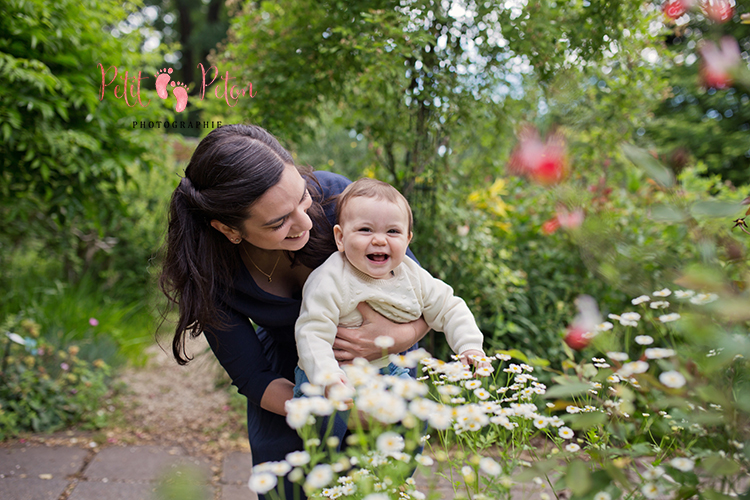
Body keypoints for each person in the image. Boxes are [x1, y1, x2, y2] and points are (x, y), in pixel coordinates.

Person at [158, 124, 429, 499]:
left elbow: (427, 298)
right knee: (288, 488)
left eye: (300, 200)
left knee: (377, 483)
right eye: (277, 222)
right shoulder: (210, 273)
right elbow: (252, 375)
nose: (304, 222)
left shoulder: (339, 198)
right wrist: (326, 409)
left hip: (386, 363)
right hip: (289, 379)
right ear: (229, 230)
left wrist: (391, 340)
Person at [294, 178, 488, 405]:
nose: (379, 240)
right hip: (335, 372)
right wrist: (328, 378)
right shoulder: (331, 278)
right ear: (341, 238)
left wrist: (470, 346)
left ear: (407, 240)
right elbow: (312, 333)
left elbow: (450, 307)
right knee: (330, 422)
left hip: (389, 370)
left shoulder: (412, 274)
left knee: (414, 408)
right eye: (365, 230)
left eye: (393, 231)